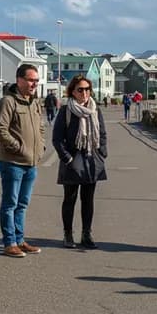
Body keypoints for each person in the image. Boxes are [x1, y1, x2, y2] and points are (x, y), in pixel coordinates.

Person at [0, 63, 46, 258]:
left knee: (22, 204)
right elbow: (0, 130)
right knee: (10, 203)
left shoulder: (34, 102)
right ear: (19, 80)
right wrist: (18, 147)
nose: (34, 84)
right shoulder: (8, 102)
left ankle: (20, 239)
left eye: (36, 81)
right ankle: (10, 242)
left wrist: (41, 147)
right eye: (31, 80)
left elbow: (40, 127)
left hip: (31, 163)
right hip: (12, 162)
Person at [52, 75, 108, 249]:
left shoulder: (95, 109)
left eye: (87, 89)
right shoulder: (66, 110)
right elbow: (57, 138)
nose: (84, 93)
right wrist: (67, 158)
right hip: (72, 159)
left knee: (88, 199)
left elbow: (103, 133)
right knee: (70, 198)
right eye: (80, 89)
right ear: (72, 91)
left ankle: (86, 234)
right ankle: (68, 234)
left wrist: (102, 153)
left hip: (92, 158)